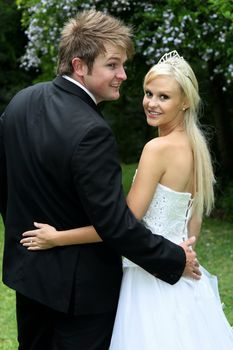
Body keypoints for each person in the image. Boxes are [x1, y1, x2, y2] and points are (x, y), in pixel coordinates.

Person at [0, 10, 200, 350]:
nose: (122, 74)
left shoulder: (21, 101)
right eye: (112, 65)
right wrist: (175, 259)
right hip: (83, 295)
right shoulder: (92, 131)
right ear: (80, 66)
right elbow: (116, 225)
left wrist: (22, 234)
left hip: (30, 279)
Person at [21, 50, 233, 349]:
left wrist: (57, 238)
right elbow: (192, 228)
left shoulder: (158, 149)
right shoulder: (196, 150)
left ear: (185, 101)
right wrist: (180, 252)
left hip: (148, 281)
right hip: (183, 282)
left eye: (164, 97)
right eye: (149, 93)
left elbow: (122, 224)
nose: (151, 103)